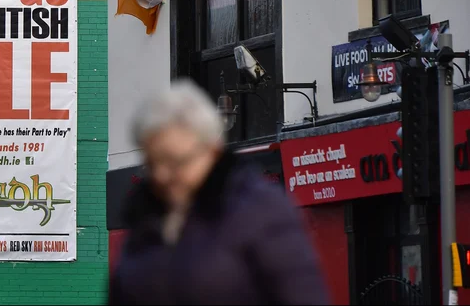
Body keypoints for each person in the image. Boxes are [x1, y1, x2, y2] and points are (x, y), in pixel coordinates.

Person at [109, 79, 330, 305]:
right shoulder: (144, 220)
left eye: (174, 161)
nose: (162, 175)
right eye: (152, 163)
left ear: (211, 151)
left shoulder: (262, 210)